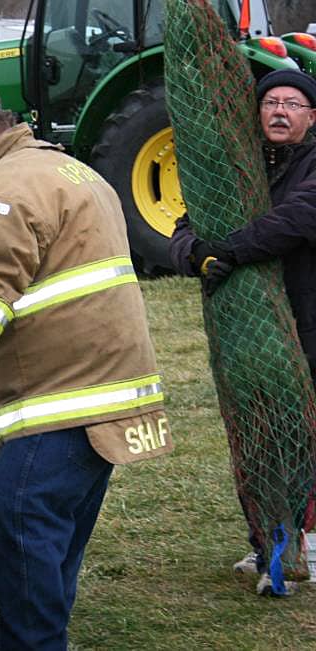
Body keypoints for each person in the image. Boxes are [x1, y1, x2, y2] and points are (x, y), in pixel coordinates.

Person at [0, 83, 172, 650]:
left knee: (24, 531)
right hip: (104, 392)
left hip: (59, 399)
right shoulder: (68, 171)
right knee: (55, 541)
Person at [168, 68, 316, 593]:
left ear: (312, 117)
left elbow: (298, 219)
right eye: (271, 102)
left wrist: (226, 250)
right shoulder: (239, 168)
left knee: (302, 436)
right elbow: (186, 227)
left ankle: (301, 544)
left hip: (307, 323)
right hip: (248, 336)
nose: (280, 111)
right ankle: (271, 547)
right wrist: (194, 254)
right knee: (261, 438)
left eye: (293, 104)